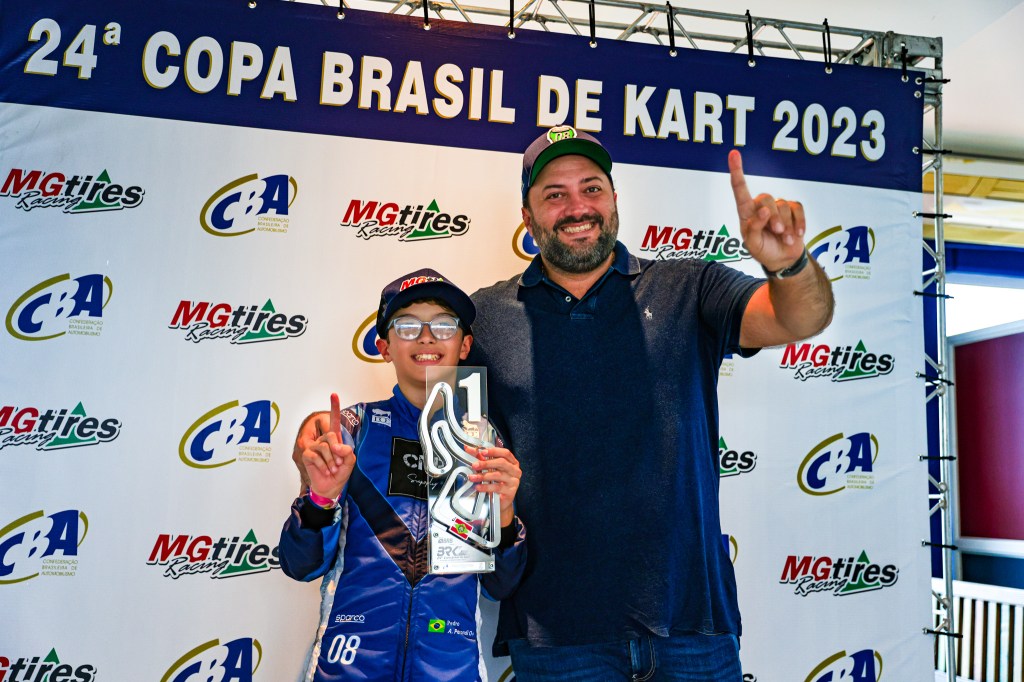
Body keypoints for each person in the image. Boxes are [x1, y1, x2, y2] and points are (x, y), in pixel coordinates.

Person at [295, 126, 834, 681]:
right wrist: (326, 431)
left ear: (615, 199)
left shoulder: (688, 287)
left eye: (591, 188)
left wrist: (789, 267)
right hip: (556, 642)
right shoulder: (486, 316)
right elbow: (422, 410)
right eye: (555, 194)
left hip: (692, 629)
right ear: (527, 218)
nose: (577, 207)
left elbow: (798, 319)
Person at [279, 268, 526, 682]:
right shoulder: (352, 430)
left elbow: (501, 585)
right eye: (408, 326)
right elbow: (300, 565)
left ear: (465, 345)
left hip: (452, 671)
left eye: (443, 325)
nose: (426, 337)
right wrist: (319, 500)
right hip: (348, 668)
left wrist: (503, 515)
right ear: (384, 347)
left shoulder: (485, 442)